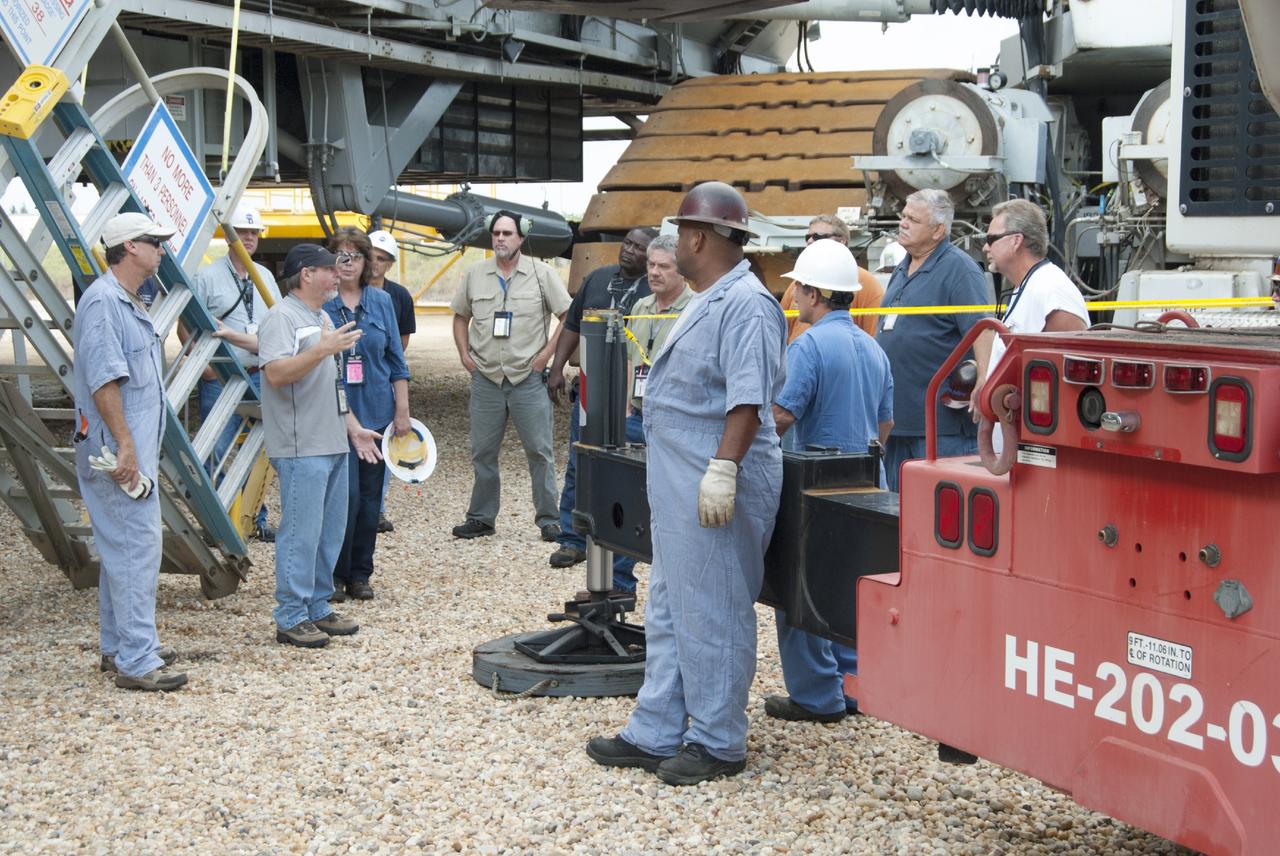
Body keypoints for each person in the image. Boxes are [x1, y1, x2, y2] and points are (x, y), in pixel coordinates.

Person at [585, 181, 787, 786]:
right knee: (673, 607)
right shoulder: (708, 296)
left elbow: (748, 401)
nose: (675, 243)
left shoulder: (747, 304)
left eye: (680, 234)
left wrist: (723, 471)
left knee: (716, 611)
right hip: (683, 489)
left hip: (713, 486)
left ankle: (719, 740)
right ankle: (657, 728)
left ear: (698, 237)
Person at [766, 238, 894, 723]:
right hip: (866, 481)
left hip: (814, 487)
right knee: (850, 589)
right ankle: (854, 687)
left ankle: (817, 698)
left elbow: (780, 416)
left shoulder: (810, 345)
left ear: (816, 294)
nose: (793, 297)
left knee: (798, 592)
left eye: (797, 288)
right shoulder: (872, 348)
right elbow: (884, 426)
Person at [74, 213, 188, 691]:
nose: (162, 248)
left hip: (126, 451)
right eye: (154, 241)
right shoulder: (103, 303)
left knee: (122, 549)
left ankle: (118, 646)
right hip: (117, 454)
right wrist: (125, 445)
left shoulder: (127, 301)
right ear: (129, 247)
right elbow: (104, 382)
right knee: (137, 549)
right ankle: (137, 661)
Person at [258, 243, 381, 648]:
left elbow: (334, 383)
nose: (338, 274)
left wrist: (355, 428)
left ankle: (317, 605)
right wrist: (321, 350)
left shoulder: (322, 316)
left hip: (331, 440)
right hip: (300, 443)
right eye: (330, 268)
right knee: (300, 532)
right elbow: (276, 373)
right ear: (306, 274)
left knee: (329, 530)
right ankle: (290, 614)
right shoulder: (280, 317)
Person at [450, 211, 572, 541]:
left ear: (522, 237)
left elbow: (567, 316)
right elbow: (461, 317)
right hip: (487, 378)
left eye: (507, 233)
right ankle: (481, 517)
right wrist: (464, 354)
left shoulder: (542, 273)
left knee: (540, 452)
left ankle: (549, 519)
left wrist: (545, 357)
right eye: (496, 233)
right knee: (483, 453)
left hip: (527, 379)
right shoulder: (475, 275)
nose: (500, 239)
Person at [545, 226, 656, 575]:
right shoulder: (597, 279)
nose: (630, 251)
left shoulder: (655, 291)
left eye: (640, 248)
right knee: (581, 459)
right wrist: (557, 367)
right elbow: (572, 326)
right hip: (591, 386)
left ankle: (623, 542)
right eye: (627, 244)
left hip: (633, 396)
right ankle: (572, 538)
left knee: (626, 467)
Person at [876, 188, 992, 492]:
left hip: (942, 430)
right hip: (898, 425)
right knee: (898, 517)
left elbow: (981, 328)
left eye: (913, 219)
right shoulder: (902, 268)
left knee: (944, 514)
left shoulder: (960, 270)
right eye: (903, 216)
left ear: (938, 230)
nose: (903, 223)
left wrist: (984, 382)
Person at [323, 228, 412, 602]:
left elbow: (396, 359)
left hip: (376, 413)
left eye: (354, 256)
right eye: (339, 255)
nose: (346, 263)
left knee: (370, 499)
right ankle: (334, 573)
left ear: (366, 262)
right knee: (344, 497)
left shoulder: (381, 302)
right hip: (335, 416)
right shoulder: (322, 305)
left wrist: (402, 411)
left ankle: (361, 574)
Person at [188, 202, 280, 541]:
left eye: (254, 232)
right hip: (223, 376)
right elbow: (188, 324)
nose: (250, 237)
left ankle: (254, 517)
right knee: (215, 448)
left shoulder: (265, 277)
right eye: (243, 231)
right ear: (229, 237)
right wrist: (206, 367)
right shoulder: (208, 277)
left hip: (260, 373)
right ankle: (222, 518)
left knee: (260, 451)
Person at [980, 198, 1089, 380]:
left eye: (991, 239)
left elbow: (1069, 373)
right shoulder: (1030, 285)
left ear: (1016, 241)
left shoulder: (1050, 290)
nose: (985, 247)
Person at [367, 229, 417, 534]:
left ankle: (377, 509)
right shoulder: (344, 291)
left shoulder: (398, 297)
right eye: (371, 255)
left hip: (383, 378)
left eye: (382, 258)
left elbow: (402, 341)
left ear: (390, 263)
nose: (375, 263)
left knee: (383, 442)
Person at [624, 235, 693, 442]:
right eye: (651, 264)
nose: (654, 272)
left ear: (682, 271)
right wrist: (625, 410)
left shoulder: (695, 310)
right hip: (636, 417)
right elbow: (629, 359)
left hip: (675, 423)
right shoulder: (640, 306)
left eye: (663, 266)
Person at [778, 215, 883, 340]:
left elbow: (874, 337)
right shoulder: (799, 282)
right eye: (808, 237)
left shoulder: (865, 283)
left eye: (818, 237)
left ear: (842, 241)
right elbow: (780, 331)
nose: (810, 241)